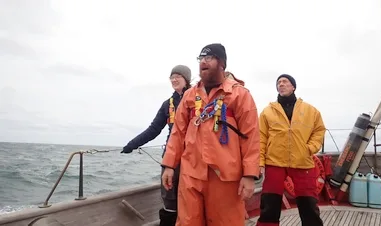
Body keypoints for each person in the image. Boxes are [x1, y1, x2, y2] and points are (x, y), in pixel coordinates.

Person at [161, 43, 260, 226]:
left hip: (225, 177)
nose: (203, 62)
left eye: (209, 58)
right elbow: (177, 133)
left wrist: (249, 175)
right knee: (187, 222)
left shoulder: (240, 95)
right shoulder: (189, 96)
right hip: (190, 174)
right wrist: (168, 165)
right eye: (201, 59)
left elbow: (251, 137)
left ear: (221, 63)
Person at [121, 65, 192, 226]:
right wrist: (132, 145)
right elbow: (153, 130)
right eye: (172, 76)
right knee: (169, 199)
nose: (174, 79)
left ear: (187, 78)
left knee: (191, 197)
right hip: (171, 158)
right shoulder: (168, 104)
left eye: (178, 76)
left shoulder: (198, 99)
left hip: (193, 158)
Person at [256, 74, 326, 226]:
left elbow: (319, 131)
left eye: (285, 82)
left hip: (302, 161)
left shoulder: (310, 110)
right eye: (278, 82)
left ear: (293, 87)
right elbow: (260, 138)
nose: (281, 84)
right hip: (274, 162)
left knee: (309, 204)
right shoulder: (267, 112)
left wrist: (310, 148)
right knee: (269, 205)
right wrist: (260, 162)